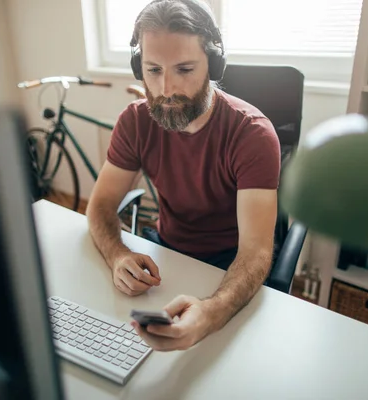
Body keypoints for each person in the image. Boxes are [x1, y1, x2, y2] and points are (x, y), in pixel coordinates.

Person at [86, 0, 280, 351]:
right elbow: (99, 206)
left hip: (230, 265)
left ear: (214, 65)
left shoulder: (252, 135)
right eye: (154, 70)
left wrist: (210, 313)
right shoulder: (135, 121)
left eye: (185, 69)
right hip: (167, 254)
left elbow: (255, 252)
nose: (167, 89)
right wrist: (118, 254)